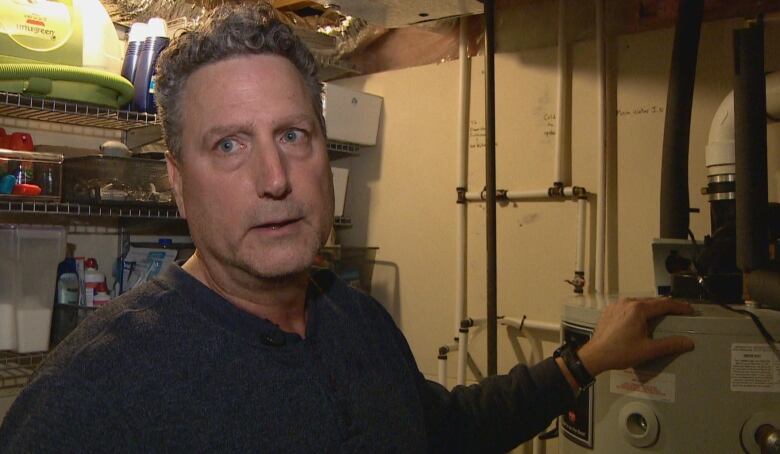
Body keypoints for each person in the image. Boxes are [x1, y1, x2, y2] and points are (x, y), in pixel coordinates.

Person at [0, 3, 695, 452]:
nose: (275, 177)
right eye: (229, 146)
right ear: (178, 182)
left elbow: (443, 430)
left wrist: (584, 361)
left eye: (293, 135)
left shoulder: (356, 321)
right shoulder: (95, 393)